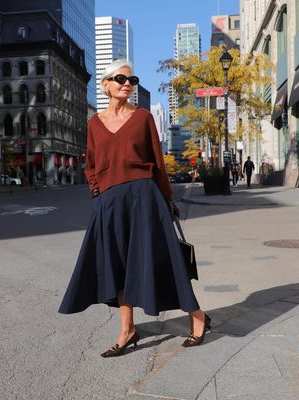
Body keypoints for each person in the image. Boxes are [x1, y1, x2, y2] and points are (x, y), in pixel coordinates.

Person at [58, 59, 210, 358]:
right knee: (117, 266)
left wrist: (167, 199)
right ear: (105, 84)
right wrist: (98, 194)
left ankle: (198, 316)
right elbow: (91, 164)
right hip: (110, 203)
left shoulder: (142, 118)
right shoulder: (94, 124)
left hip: (144, 197)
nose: (127, 83)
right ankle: (127, 330)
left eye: (132, 80)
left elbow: (157, 161)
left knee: (164, 261)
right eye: (120, 79)